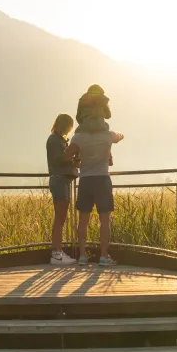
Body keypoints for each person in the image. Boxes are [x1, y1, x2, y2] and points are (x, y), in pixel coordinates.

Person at [67, 86, 124, 264]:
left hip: (85, 180)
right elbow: (120, 136)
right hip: (102, 179)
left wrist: (77, 161)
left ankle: (82, 256)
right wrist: (117, 136)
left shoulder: (78, 138)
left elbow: (67, 155)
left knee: (83, 220)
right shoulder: (108, 136)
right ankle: (104, 256)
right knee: (104, 220)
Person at [46, 113, 79, 264]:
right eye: (68, 126)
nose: (69, 130)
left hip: (63, 180)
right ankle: (56, 253)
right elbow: (58, 159)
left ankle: (58, 251)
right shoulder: (54, 140)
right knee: (60, 218)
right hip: (59, 179)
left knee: (62, 217)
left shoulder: (59, 140)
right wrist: (71, 156)